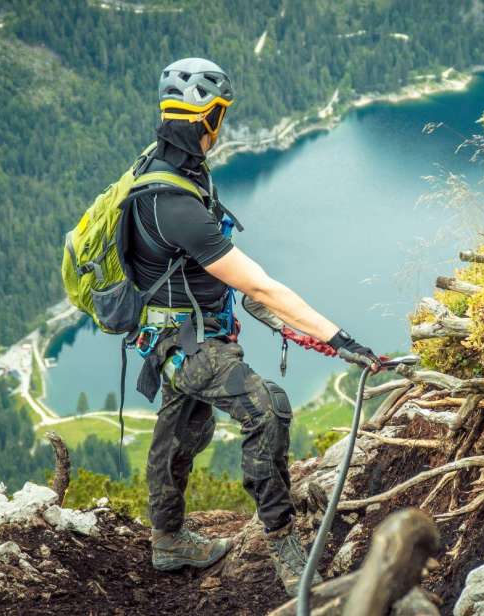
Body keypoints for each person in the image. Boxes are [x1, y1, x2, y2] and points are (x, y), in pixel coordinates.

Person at [123, 57, 378, 597]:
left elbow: (203, 272)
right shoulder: (176, 200)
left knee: (181, 431)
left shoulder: (167, 167)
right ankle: (284, 542)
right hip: (189, 344)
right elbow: (259, 285)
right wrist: (339, 338)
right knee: (268, 406)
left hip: (170, 335)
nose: (223, 126)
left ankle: (167, 540)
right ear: (207, 117)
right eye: (221, 115)